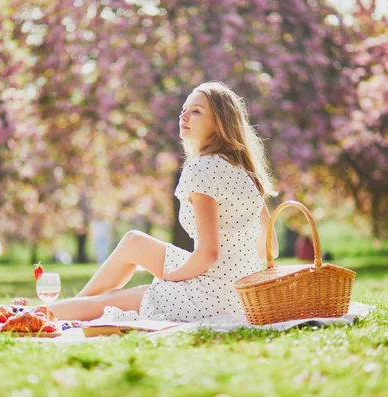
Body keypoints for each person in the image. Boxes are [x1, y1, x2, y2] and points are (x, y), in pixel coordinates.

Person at [45, 81, 279, 322]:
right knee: (133, 242)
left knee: (107, 301)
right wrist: (234, 271)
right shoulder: (247, 171)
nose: (184, 115)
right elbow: (270, 246)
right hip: (243, 294)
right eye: (185, 109)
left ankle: (30, 317)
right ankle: (74, 306)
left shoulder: (202, 169)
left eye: (196, 111)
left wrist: (175, 276)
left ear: (219, 124)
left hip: (208, 296)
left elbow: (208, 253)